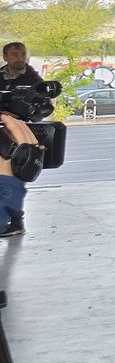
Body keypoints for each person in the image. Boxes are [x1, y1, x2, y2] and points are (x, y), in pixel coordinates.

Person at [0, 41, 44, 237]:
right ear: (6, 57)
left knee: (14, 178)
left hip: (20, 135)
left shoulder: (34, 79)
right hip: (3, 130)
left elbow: (41, 108)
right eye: (15, 55)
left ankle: (15, 221)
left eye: (22, 54)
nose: (20, 58)